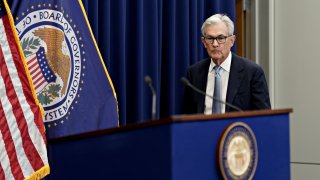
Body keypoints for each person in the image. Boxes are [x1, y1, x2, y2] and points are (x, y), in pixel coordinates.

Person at [182, 13, 271, 114]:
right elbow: (187, 116)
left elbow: (264, 116)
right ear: (204, 42)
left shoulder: (252, 72)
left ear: (232, 41)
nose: (215, 44)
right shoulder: (194, 73)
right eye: (210, 39)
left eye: (220, 38)